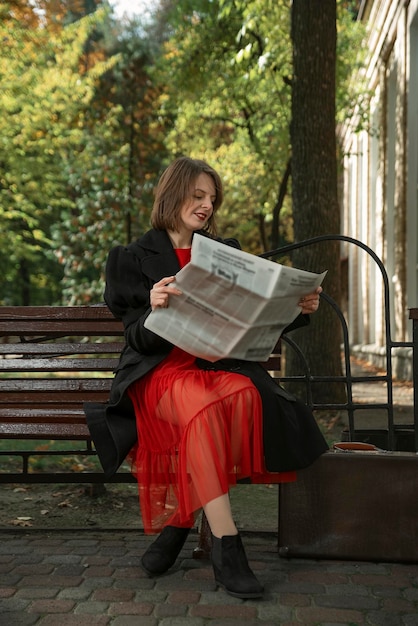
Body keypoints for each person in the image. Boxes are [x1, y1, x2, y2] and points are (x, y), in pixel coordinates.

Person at [85, 156, 328, 600]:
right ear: (172, 194)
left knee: (245, 394)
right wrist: (155, 306)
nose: (206, 205)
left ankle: (179, 523)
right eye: (197, 195)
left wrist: (296, 308)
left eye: (212, 199)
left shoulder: (224, 252)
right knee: (204, 408)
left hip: (216, 368)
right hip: (159, 376)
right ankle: (228, 549)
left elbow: (252, 319)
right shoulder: (130, 258)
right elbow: (137, 339)